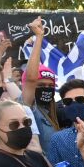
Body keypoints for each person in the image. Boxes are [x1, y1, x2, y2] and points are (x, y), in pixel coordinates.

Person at [22, 17, 61, 150]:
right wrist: (39, 37)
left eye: (51, 86)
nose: (46, 89)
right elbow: (31, 78)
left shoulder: (55, 112)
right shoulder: (28, 108)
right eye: (41, 85)